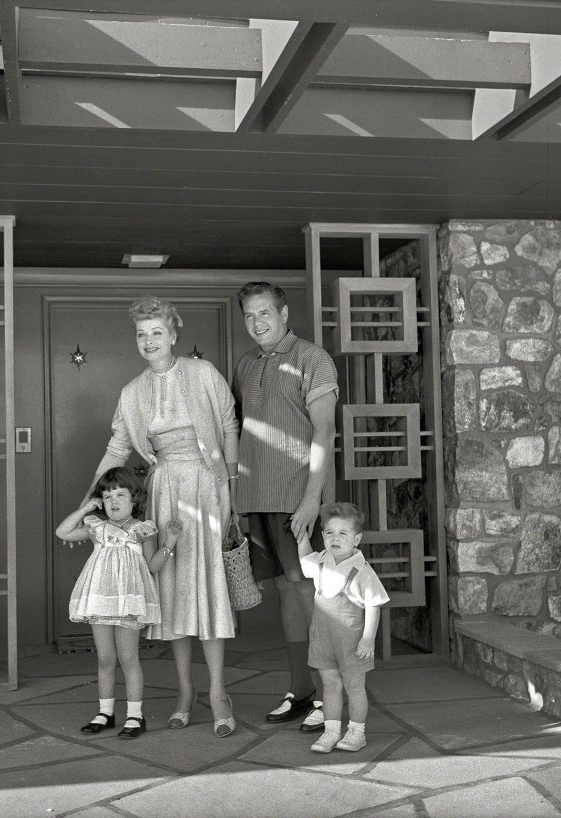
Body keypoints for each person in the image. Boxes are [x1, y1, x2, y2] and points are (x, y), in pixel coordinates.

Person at [83, 296, 239, 738]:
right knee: (171, 591)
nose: (149, 341)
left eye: (157, 332)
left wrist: (231, 489)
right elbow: (117, 447)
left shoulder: (203, 373)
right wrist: (90, 500)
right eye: (141, 333)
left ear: (174, 334)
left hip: (207, 489)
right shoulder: (132, 393)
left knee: (206, 589)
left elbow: (229, 426)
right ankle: (186, 692)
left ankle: (220, 692)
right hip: (164, 492)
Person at [232, 282, 338, 733]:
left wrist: (313, 497)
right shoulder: (245, 364)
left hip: (297, 499)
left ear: (283, 311)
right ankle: (301, 691)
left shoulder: (313, 359)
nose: (258, 323)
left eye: (265, 313)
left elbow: (324, 432)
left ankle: (328, 696)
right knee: (285, 591)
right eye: (250, 316)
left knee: (309, 592)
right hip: (257, 498)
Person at [56, 466, 175, 739]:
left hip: (128, 603)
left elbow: (153, 565)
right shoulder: (97, 528)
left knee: (129, 658)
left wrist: (171, 542)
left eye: (120, 495)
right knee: (105, 658)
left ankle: (135, 716)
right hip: (101, 601)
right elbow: (63, 532)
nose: (114, 502)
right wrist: (86, 507)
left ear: (134, 499)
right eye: (108, 497)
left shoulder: (142, 530)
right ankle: (105, 712)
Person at [297, 502, 389, 753]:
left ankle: (357, 732)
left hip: (352, 642)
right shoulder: (323, 561)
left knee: (354, 686)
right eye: (329, 533)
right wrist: (302, 537)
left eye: (343, 533)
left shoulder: (361, 570)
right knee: (330, 684)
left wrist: (368, 638)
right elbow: (305, 561)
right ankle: (331, 731)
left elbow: (374, 604)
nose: (334, 538)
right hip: (323, 639)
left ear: (357, 539)